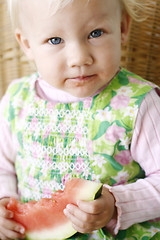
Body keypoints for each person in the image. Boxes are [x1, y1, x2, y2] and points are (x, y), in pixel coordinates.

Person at [0, 0, 160, 239]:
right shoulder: (16, 99)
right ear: (27, 44)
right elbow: (3, 166)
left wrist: (117, 204)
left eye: (95, 33)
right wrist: (4, 203)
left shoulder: (138, 103)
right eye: (55, 40)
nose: (79, 58)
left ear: (122, 28)